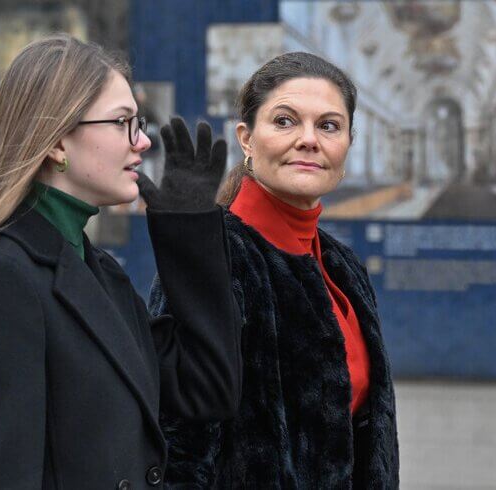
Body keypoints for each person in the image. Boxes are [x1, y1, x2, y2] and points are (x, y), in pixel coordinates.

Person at [0, 34, 242, 489]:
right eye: (122, 122)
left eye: (139, 123)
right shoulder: (1, 277)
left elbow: (207, 387)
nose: (143, 143)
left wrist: (188, 232)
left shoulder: (100, 274)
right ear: (57, 143)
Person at [151, 52, 399, 488]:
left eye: (328, 125)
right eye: (285, 121)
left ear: (347, 144)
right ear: (246, 139)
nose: (309, 139)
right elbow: (179, 446)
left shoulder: (344, 266)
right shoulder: (212, 256)